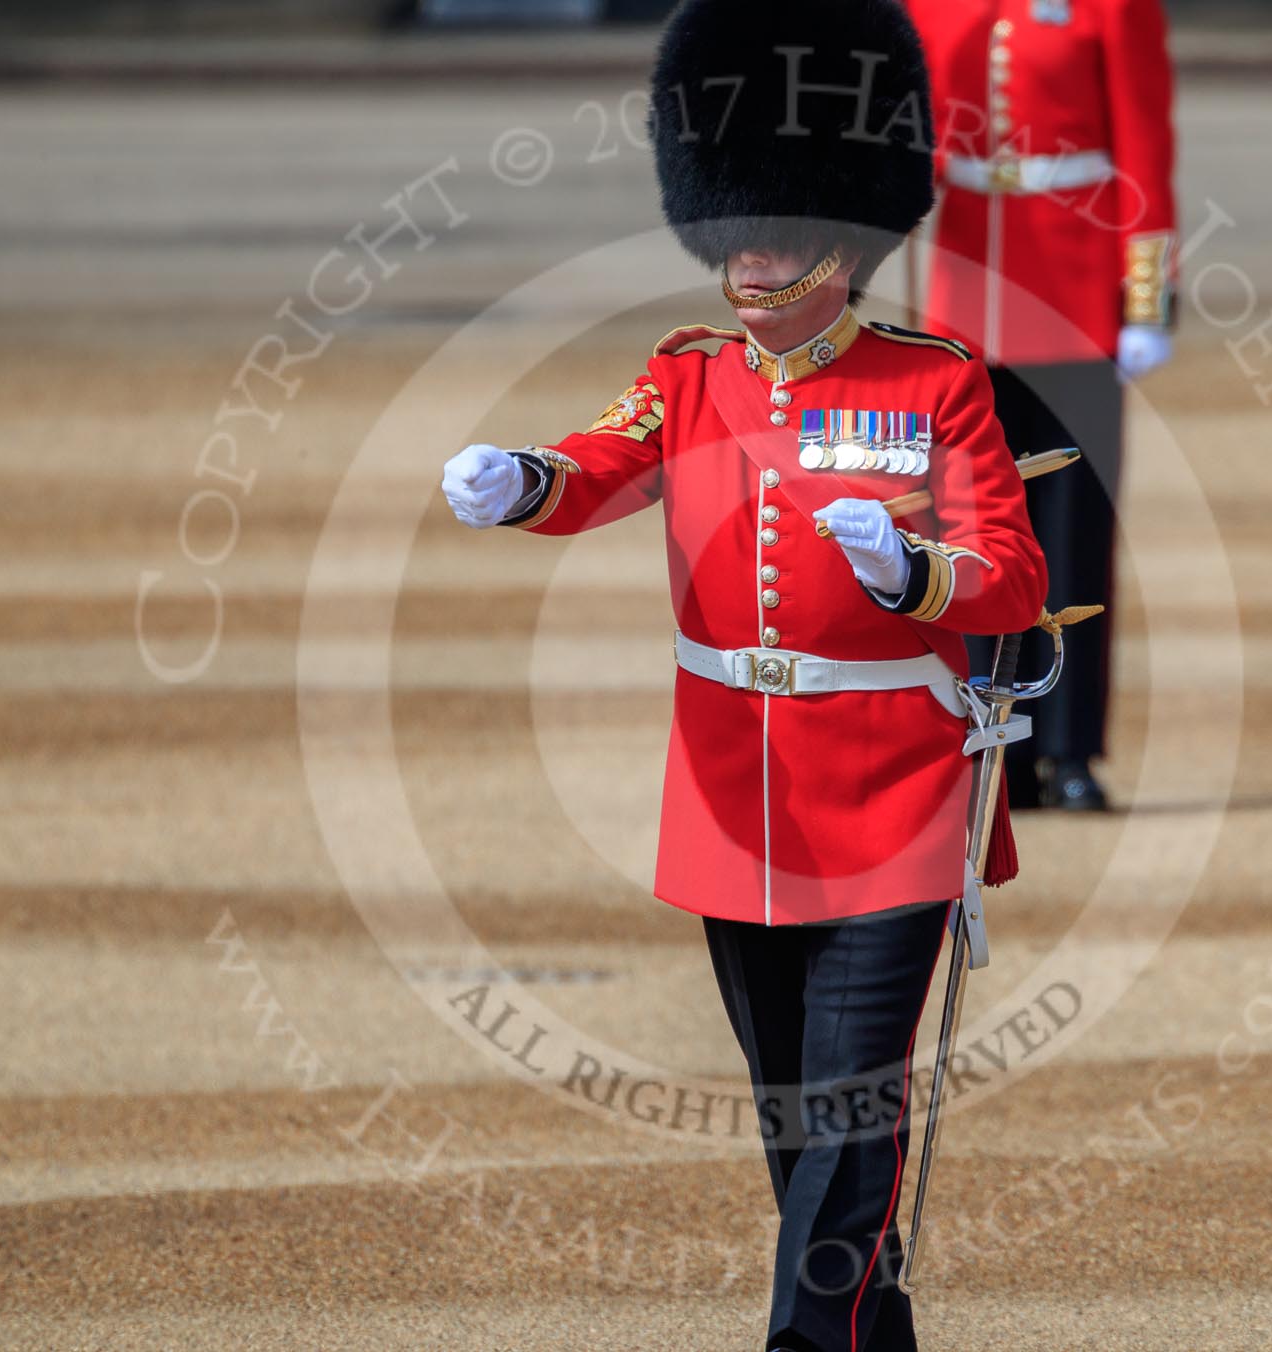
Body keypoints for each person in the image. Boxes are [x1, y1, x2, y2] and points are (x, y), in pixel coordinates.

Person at [438, 2, 1047, 1347]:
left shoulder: (935, 385)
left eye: (777, 238)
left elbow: (1010, 574)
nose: (750, 261)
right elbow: (601, 464)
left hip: (896, 792)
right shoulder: (691, 377)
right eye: (734, 235)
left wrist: (907, 575)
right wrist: (523, 481)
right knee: (800, 1128)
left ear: (842, 242)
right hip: (735, 802)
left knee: (845, 1118)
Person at [905, 0, 1178, 810]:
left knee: (1072, 530)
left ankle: (1067, 751)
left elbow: (1144, 140)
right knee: (975, 531)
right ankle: (997, 742)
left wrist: (1146, 298)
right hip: (966, 292)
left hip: (1074, 288)